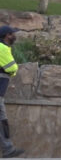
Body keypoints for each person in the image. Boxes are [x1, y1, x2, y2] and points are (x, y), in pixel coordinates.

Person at [0, 26, 23, 158]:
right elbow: (12, 68)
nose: (15, 35)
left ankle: (8, 149)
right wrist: (13, 70)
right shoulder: (2, 48)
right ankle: (8, 149)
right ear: (6, 36)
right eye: (12, 33)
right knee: (2, 121)